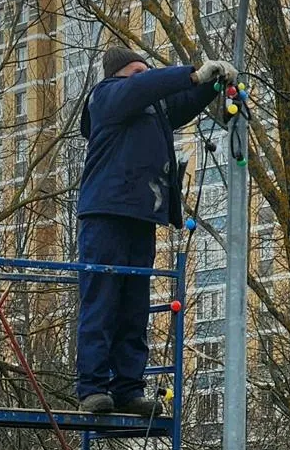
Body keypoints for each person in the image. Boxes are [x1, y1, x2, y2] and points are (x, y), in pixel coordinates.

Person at [75, 48, 236, 416]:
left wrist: (209, 87)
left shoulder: (151, 109)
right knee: (101, 301)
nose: (143, 76)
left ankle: (129, 388)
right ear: (119, 74)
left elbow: (178, 105)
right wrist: (193, 73)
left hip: (141, 218)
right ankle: (93, 387)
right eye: (137, 71)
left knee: (134, 307)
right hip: (106, 215)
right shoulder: (107, 97)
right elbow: (144, 88)